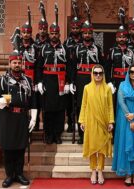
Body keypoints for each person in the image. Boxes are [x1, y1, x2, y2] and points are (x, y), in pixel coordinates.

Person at [0, 28, 37, 188]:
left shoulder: (28, 81)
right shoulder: (2, 80)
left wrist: (33, 117)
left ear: (22, 63)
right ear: (10, 63)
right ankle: (9, 175)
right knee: (7, 147)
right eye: (14, 62)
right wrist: (7, 99)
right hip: (7, 116)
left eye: (19, 62)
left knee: (20, 147)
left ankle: (19, 174)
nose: (17, 64)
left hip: (21, 118)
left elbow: (33, 100)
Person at [70, 5, 105, 144]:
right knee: (81, 106)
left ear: (92, 33)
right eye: (85, 33)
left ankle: (95, 132)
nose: (87, 35)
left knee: (95, 105)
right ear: (82, 34)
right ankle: (82, 134)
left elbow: (103, 66)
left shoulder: (98, 48)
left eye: (89, 33)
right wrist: (71, 81)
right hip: (80, 78)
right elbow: (72, 67)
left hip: (95, 79)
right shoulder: (76, 48)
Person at [36, 5, 70, 144]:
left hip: (61, 81)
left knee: (60, 110)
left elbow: (70, 66)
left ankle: (57, 134)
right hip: (48, 81)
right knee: (48, 109)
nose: (54, 35)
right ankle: (48, 134)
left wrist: (68, 82)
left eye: (56, 33)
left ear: (59, 34)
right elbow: (38, 66)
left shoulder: (65, 48)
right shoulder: (43, 48)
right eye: (52, 33)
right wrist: (39, 82)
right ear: (49, 34)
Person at [78, 64, 114, 185]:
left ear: (103, 75)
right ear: (92, 74)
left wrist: (111, 121)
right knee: (93, 147)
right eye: (95, 73)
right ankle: (93, 170)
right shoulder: (87, 88)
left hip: (103, 121)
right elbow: (83, 105)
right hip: (91, 120)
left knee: (102, 148)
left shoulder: (107, 89)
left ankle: (100, 170)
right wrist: (82, 120)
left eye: (100, 73)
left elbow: (110, 106)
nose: (98, 75)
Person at [20, 6, 40, 131]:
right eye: (24, 32)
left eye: (28, 32)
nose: (26, 34)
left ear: (31, 33)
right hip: (20, 76)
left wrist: (37, 82)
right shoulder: (17, 46)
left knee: (33, 101)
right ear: (21, 33)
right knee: (22, 101)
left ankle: (35, 126)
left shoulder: (36, 47)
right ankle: (22, 127)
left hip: (32, 76)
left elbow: (38, 65)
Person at [63, 0, 82, 133]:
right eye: (73, 28)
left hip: (82, 76)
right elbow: (65, 63)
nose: (75, 30)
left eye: (77, 28)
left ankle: (81, 123)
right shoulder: (66, 43)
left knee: (81, 102)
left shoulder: (84, 42)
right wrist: (68, 81)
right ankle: (70, 123)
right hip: (70, 75)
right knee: (69, 103)